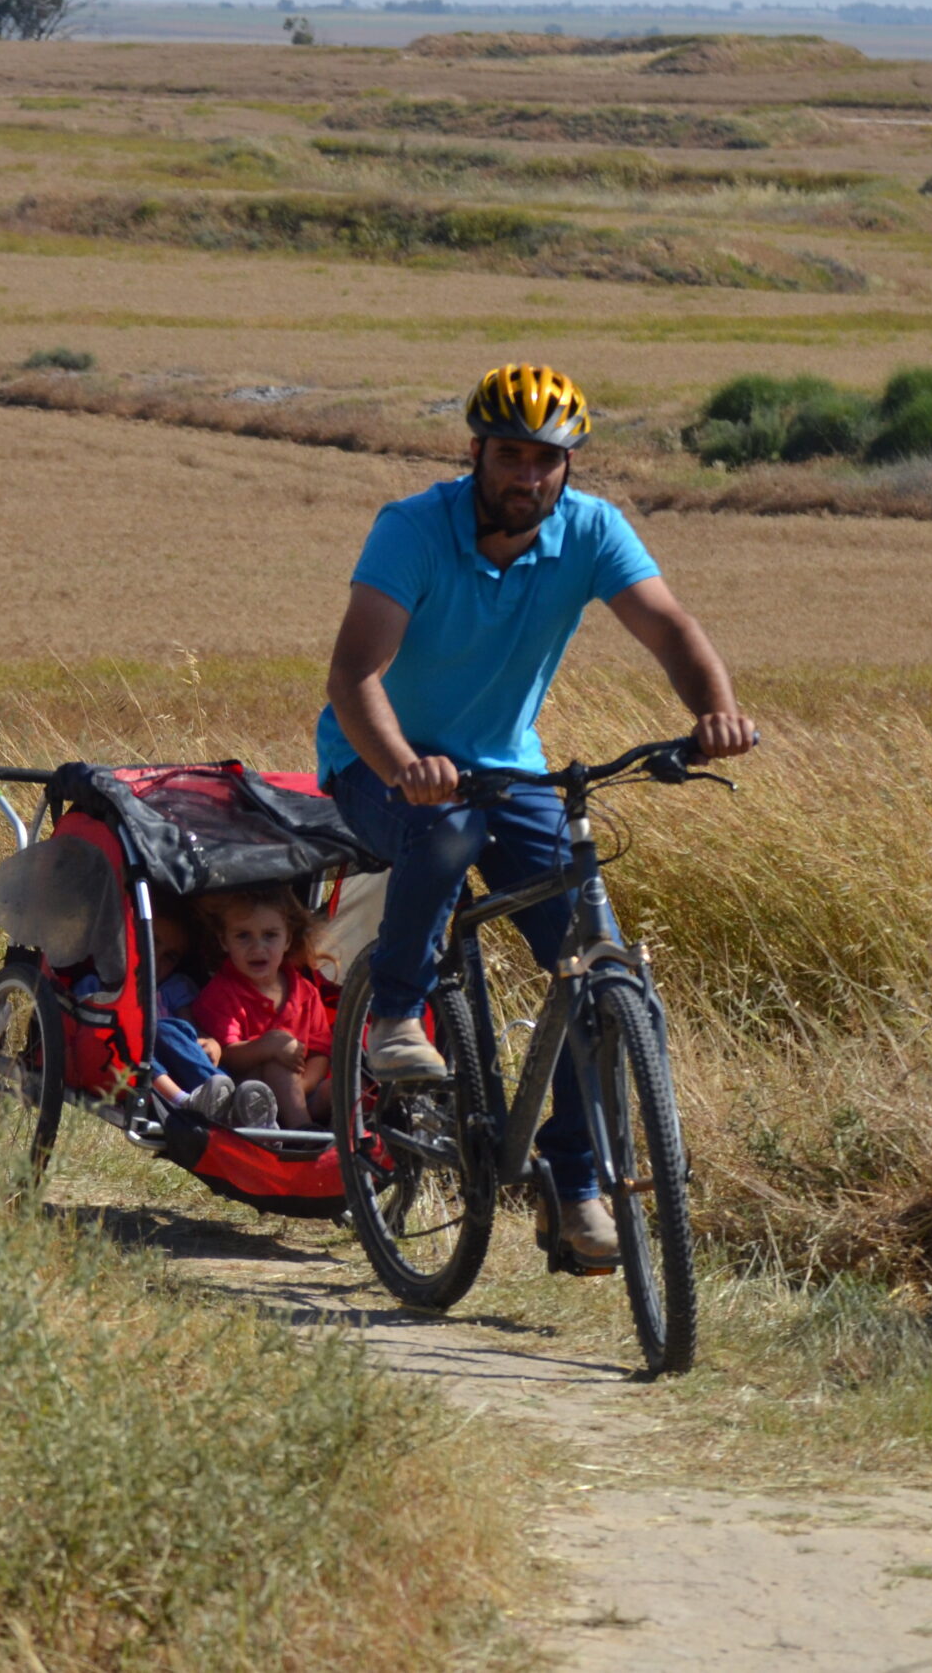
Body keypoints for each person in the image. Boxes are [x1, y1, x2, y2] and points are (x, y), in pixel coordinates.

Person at [319, 363, 754, 1267]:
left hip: (508, 770)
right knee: (444, 830)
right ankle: (397, 1011)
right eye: (510, 455)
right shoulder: (412, 529)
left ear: (569, 467)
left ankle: (575, 1184)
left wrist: (713, 710)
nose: (527, 476)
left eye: (546, 460)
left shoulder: (593, 531)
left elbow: (670, 627)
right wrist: (403, 768)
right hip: (378, 762)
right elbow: (355, 676)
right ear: (474, 452)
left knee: (594, 975)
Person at [72, 908, 276, 1128]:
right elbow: (88, 1035)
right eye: (151, 942)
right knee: (148, 1035)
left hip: (186, 1068)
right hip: (133, 1065)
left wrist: (212, 1043)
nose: (155, 960)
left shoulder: (174, 987)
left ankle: (241, 1107)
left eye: (169, 956)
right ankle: (188, 1101)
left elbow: (191, 1032)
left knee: (170, 1032)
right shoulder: (96, 985)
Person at [187, 888, 333, 1131]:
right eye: (243, 936)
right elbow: (227, 1056)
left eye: (270, 935)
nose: (258, 947)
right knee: (277, 1062)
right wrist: (268, 1046)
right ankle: (303, 1133)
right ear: (224, 941)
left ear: (287, 939)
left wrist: (301, 1086)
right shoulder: (221, 993)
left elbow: (320, 1053)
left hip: (305, 1090)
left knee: (342, 1086)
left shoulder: (305, 991)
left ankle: (352, 1143)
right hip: (252, 1096)